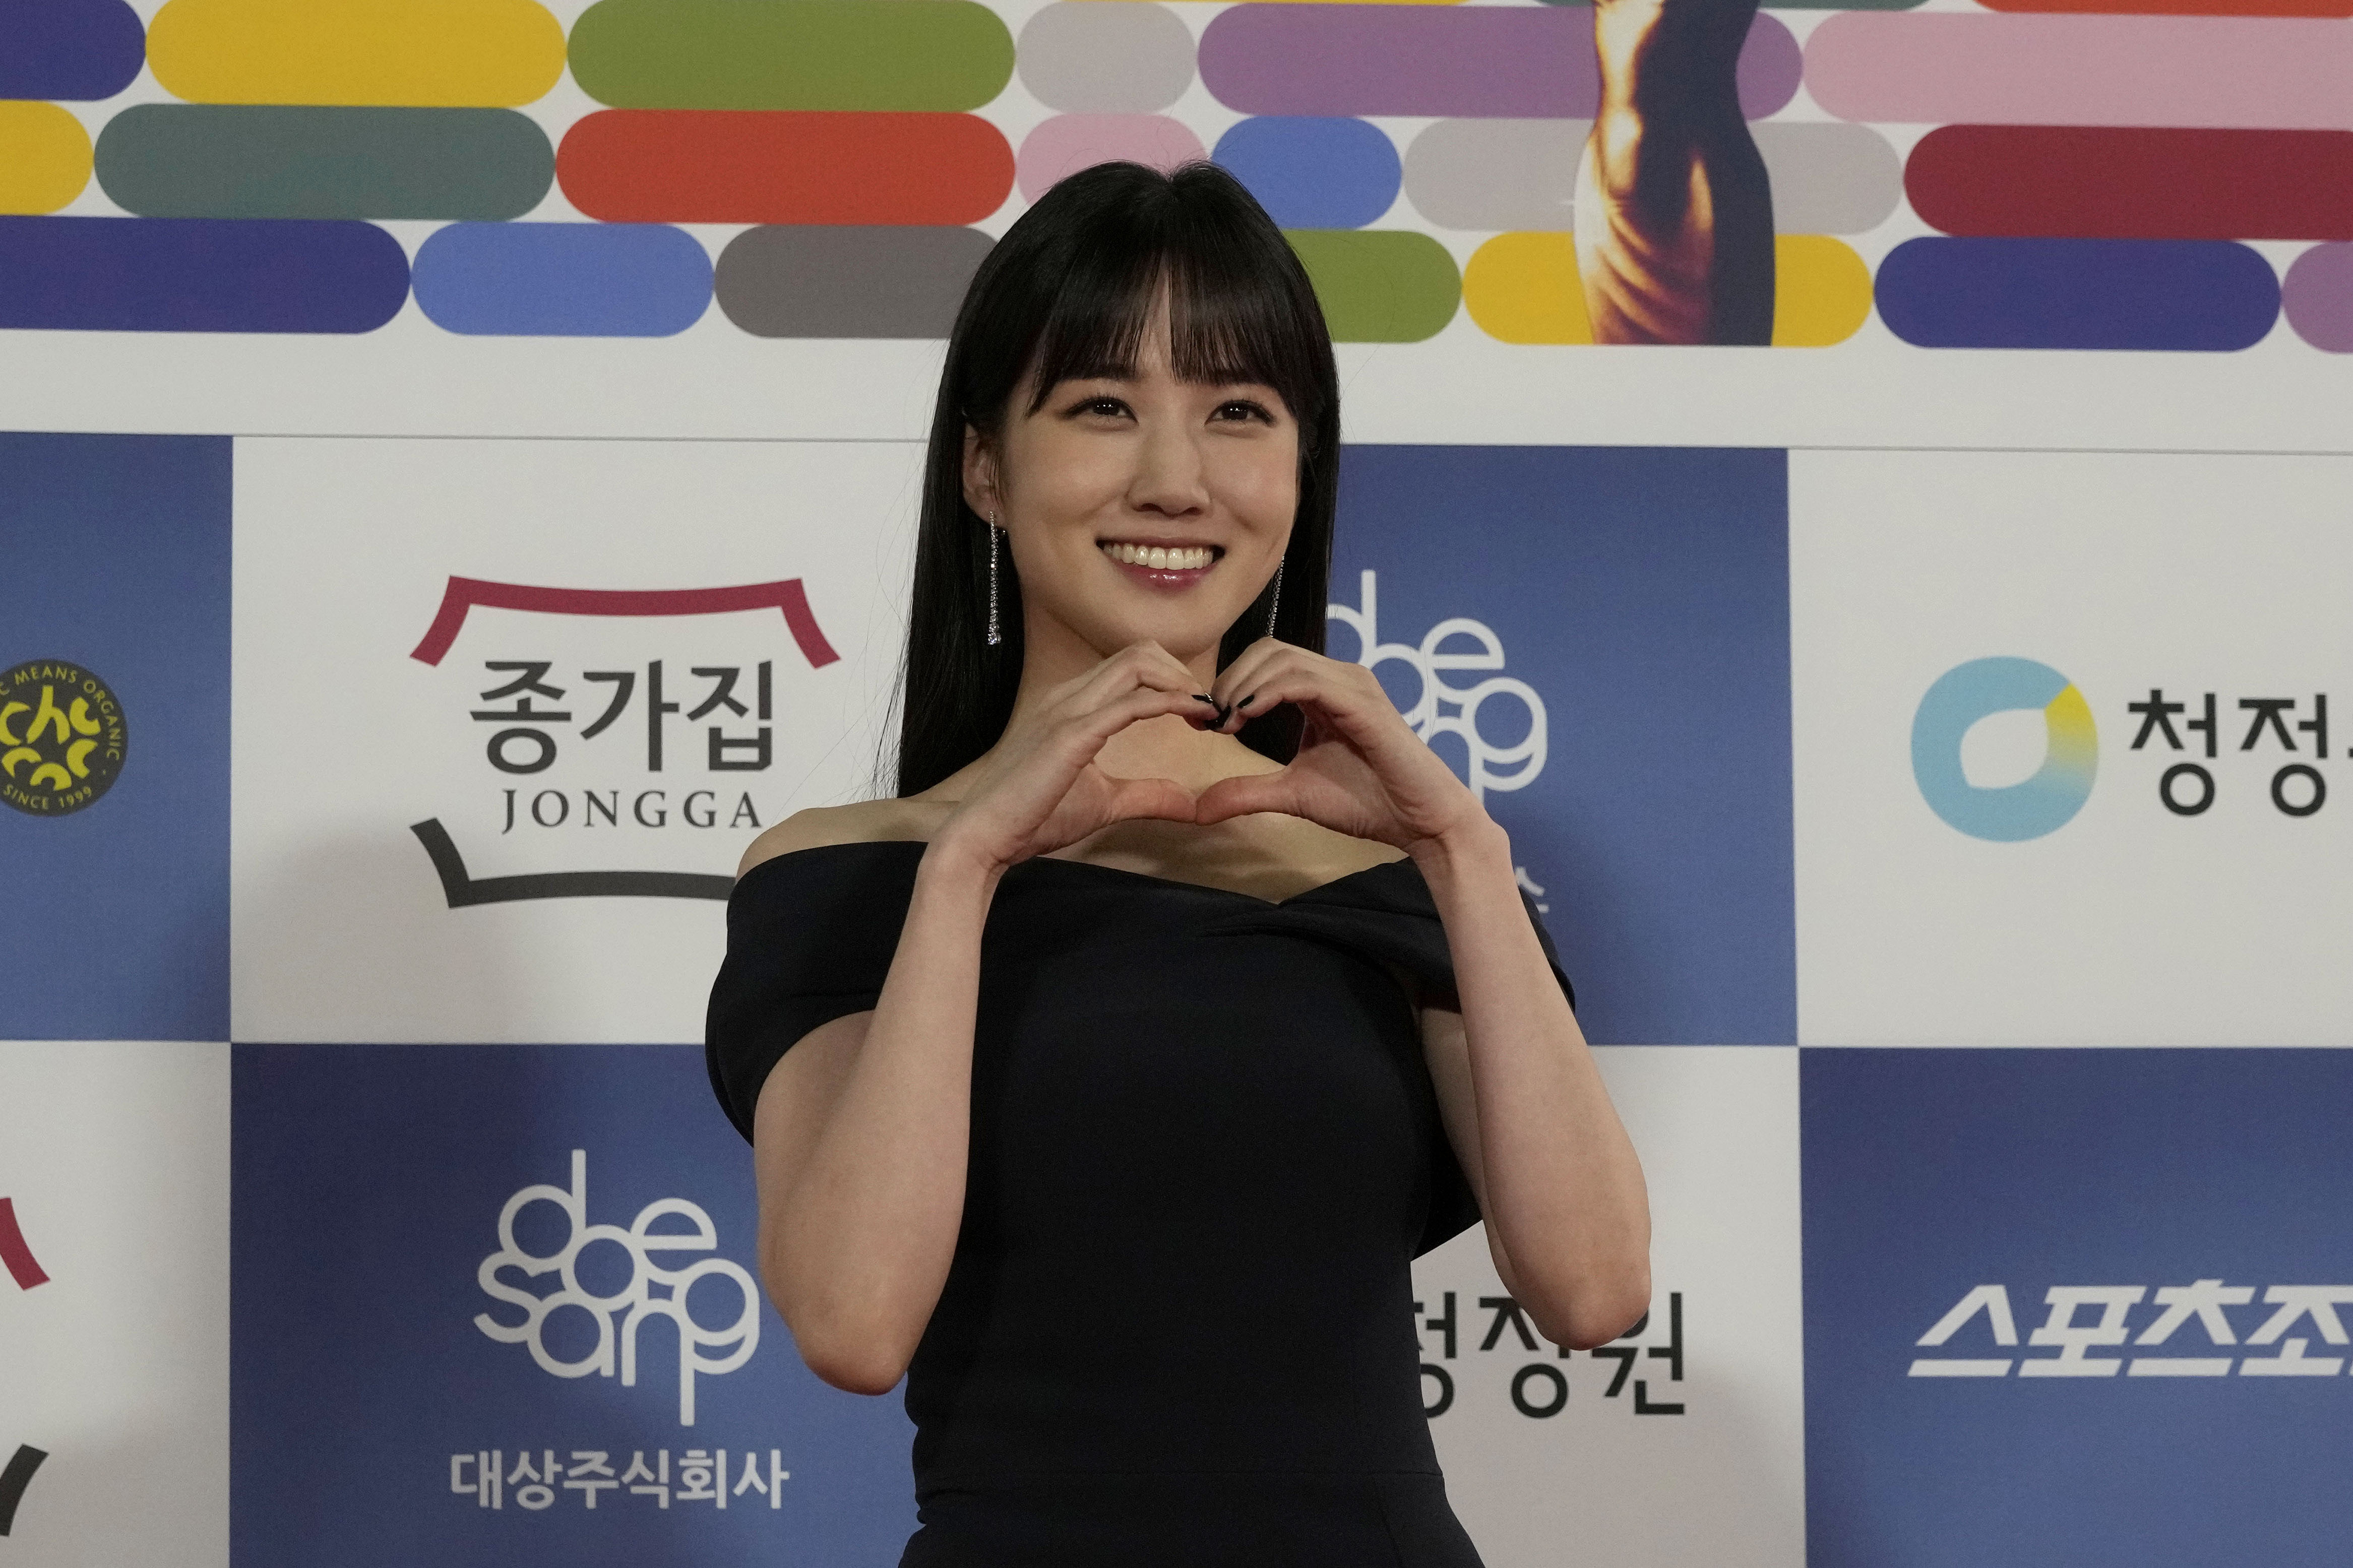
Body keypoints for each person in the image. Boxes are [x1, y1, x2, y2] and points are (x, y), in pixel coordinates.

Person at [706, 161, 1651, 1566]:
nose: (1174, 476)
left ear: (1297, 469)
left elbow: (1590, 1289)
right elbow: (851, 1321)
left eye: (1237, 413)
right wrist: (969, 865)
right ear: (984, 466)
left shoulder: (1402, 875)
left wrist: (1459, 848)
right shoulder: (853, 879)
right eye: (1102, 406)